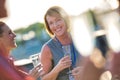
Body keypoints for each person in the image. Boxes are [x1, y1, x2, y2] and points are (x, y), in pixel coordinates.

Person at [39, 6, 82, 80]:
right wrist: (57, 68)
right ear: (48, 27)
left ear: (65, 19)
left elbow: (98, 63)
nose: (55, 25)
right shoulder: (47, 49)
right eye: (51, 23)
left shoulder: (80, 38)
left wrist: (84, 70)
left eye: (58, 20)